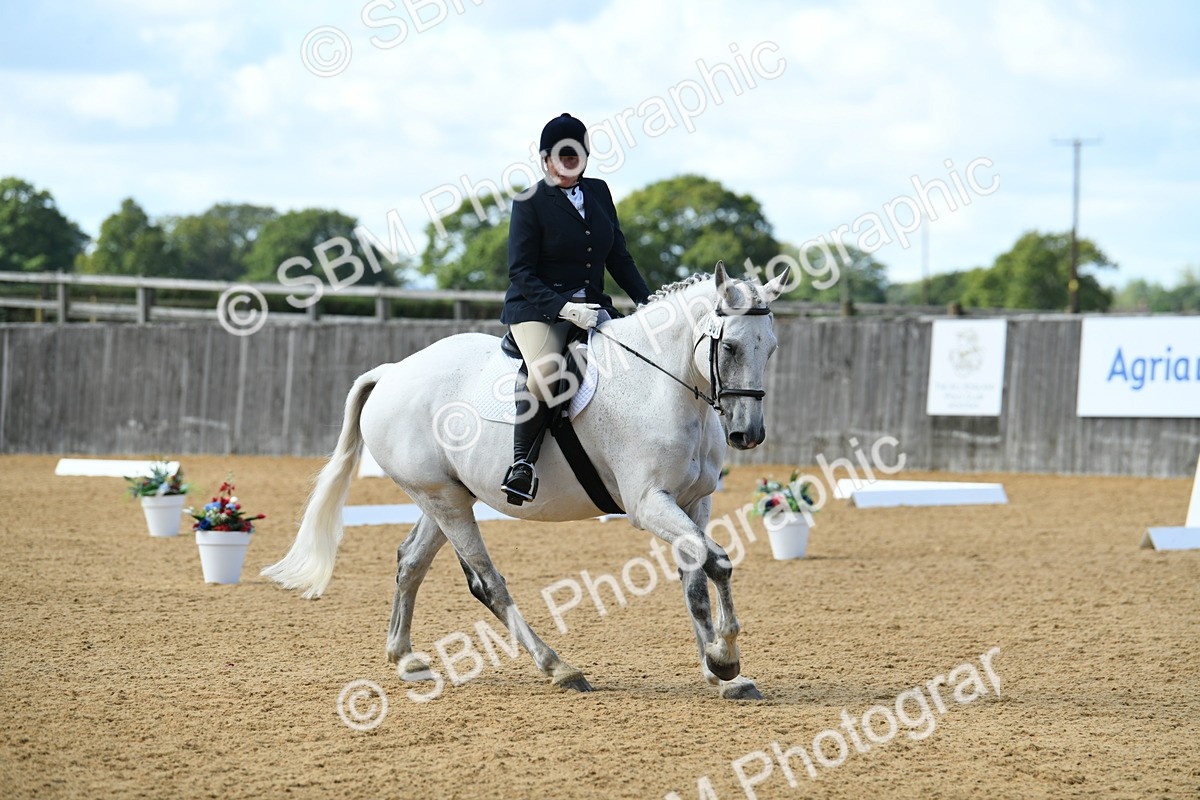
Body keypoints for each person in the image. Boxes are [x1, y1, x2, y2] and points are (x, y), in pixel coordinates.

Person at [499, 113, 652, 504]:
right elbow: (520, 272)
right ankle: (522, 465)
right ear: (545, 159)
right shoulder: (529, 202)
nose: (567, 165)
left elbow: (618, 256)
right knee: (547, 373)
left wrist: (648, 302)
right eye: (560, 158)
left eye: (575, 157)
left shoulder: (599, 192)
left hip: (593, 305)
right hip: (537, 309)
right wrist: (563, 308)